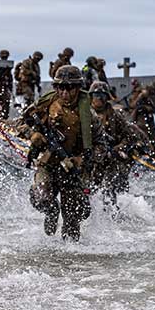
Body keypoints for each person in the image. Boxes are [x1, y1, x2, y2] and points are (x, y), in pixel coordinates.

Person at [24, 65, 105, 242]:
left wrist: (82, 159)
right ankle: (51, 211)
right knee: (40, 197)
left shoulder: (89, 116)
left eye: (69, 88)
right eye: (60, 87)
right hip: (49, 163)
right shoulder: (45, 104)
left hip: (73, 170)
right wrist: (33, 135)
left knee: (72, 223)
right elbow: (21, 123)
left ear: (78, 88)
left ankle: (70, 263)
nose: (65, 92)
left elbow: (102, 145)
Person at [88, 82, 142, 205]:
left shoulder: (115, 116)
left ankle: (112, 218)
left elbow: (130, 137)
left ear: (107, 97)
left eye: (102, 95)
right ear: (91, 96)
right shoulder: (85, 114)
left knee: (109, 191)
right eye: (96, 94)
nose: (99, 98)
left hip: (109, 159)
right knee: (87, 191)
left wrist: (116, 149)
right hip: (89, 159)